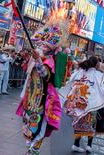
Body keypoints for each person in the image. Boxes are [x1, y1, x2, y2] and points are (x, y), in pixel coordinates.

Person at [16, 20, 69, 155]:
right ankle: (30, 149)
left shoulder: (49, 60)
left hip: (42, 99)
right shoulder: (37, 58)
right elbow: (28, 71)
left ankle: (34, 150)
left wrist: (38, 60)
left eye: (44, 46)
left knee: (39, 126)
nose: (41, 47)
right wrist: (28, 58)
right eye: (40, 45)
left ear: (49, 49)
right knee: (28, 124)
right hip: (31, 97)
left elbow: (45, 74)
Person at [59, 56, 104, 153]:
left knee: (79, 123)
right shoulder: (97, 74)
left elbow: (71, 83)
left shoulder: (79, 72)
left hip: (77, 102)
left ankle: (76, 144)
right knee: (92, 124)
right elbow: (101, 87)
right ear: (96, 64)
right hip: (90, 103)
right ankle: (89, 145)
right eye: (98, 63)